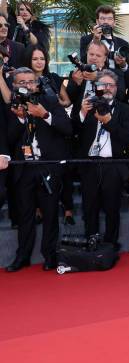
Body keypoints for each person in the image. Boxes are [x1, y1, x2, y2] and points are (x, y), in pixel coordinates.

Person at [4, 67, 72, 272]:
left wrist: (44, 115)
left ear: (37, 83)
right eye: (21, 83)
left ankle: (50, 256)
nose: (27, 86)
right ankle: (22, 256)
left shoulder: (50, 101)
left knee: (51, 215)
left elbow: (68, 129)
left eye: (30, 82)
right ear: (14, 86)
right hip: (23, 169)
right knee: (25, 216)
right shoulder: (10, 106)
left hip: (48, 168)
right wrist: (21, 119)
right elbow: (7, 139)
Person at [71, 69, 129, 251]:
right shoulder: (86, 106)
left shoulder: (126, 110)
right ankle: (91, 243)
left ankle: (110, 245)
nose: (106, 88)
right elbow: (72, 131)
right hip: (89, 165)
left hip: (113, 165)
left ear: (116, 88)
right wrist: (82, 113)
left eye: (110, 85)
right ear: (96, 87)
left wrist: (108, 120)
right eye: (102, 85)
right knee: (89, 208)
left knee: (112, 208)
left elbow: (124, 136)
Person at [79, 5, 129, 71]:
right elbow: (83, 61)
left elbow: (128, 69)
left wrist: (122, 64)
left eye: (110, 19)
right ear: (97, 22)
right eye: (102, 19)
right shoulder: (86, 40)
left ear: (114, 23)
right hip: (94, 78)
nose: (106, 22)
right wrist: (95, 40)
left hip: (116, 79)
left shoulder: (123, 43)